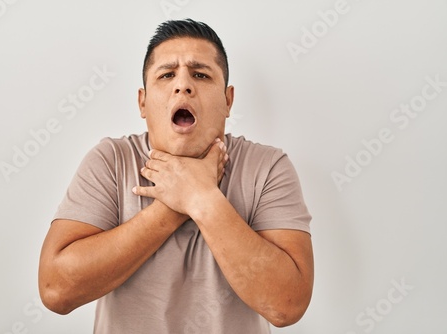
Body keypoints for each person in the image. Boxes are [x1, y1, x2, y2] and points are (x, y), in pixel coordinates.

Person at [38, 18, 314, 334]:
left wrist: (204, 200)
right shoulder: (110, 161)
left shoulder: (267, 167)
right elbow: (55, 290)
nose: (182, 84)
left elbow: (287, 304)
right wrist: (174, 206)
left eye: (200, 74)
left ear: (228, 100)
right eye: (167, 74)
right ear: (142, 102)